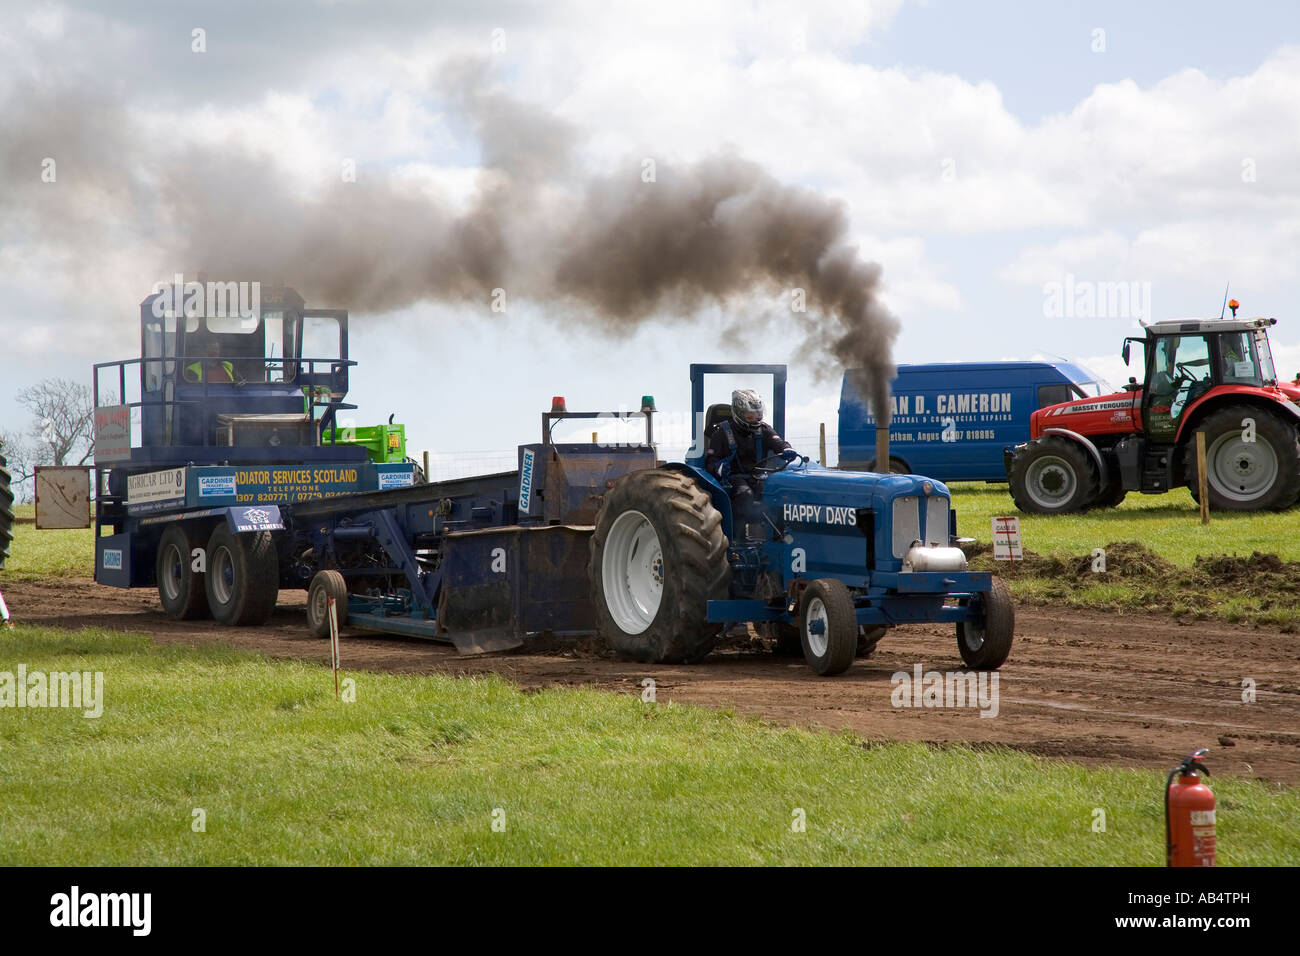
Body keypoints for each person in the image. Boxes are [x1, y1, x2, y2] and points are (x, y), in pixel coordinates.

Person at [706, 388, 799, 534]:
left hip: (759, 477)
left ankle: (778, 537)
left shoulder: (764, 429)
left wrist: (787, 449)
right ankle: (736, 538)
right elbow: (710, 462)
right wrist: (718, 468)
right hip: (734, 478)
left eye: (758, 415)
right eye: (750, 416)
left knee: (778, 493)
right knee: (745, 494)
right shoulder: (722, 432)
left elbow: (778, 442)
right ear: (738, 414)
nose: (755, 419)